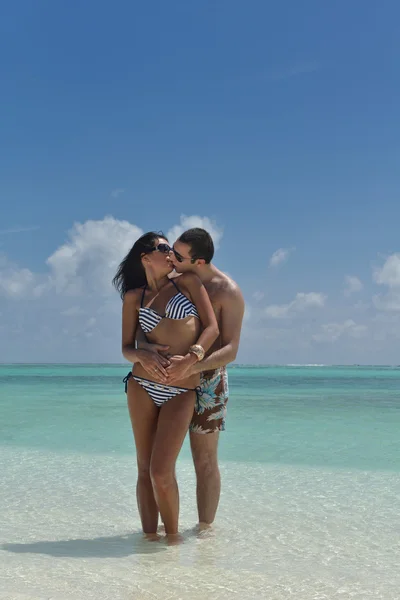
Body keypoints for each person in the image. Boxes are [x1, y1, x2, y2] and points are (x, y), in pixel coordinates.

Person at [112, 231, 219, 541]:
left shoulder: (186, 283)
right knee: (144, 470)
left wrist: (193, 357)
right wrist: (141, 353)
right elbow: (125, 348)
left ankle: (172, 543)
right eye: (162, 247)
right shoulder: (135, 297)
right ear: (146, 258)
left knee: (161, 471)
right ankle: (148, 545)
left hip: (182, 388)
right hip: (142, 385)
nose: (170, 250)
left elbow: (211, 328)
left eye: (170, 246)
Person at [137, 228, 245, 530]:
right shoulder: (173, 281)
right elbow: (143, 324)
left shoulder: (227, 291)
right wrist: (144, 350)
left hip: (208, 381)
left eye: (179, 255)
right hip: (169, 379)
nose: (171, 256)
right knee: (156, 464)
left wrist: (193, 364)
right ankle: (159, 533)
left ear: (198, 262)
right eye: (170, 249)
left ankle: (204, 534)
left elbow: (231, 350)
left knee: (205, 460)